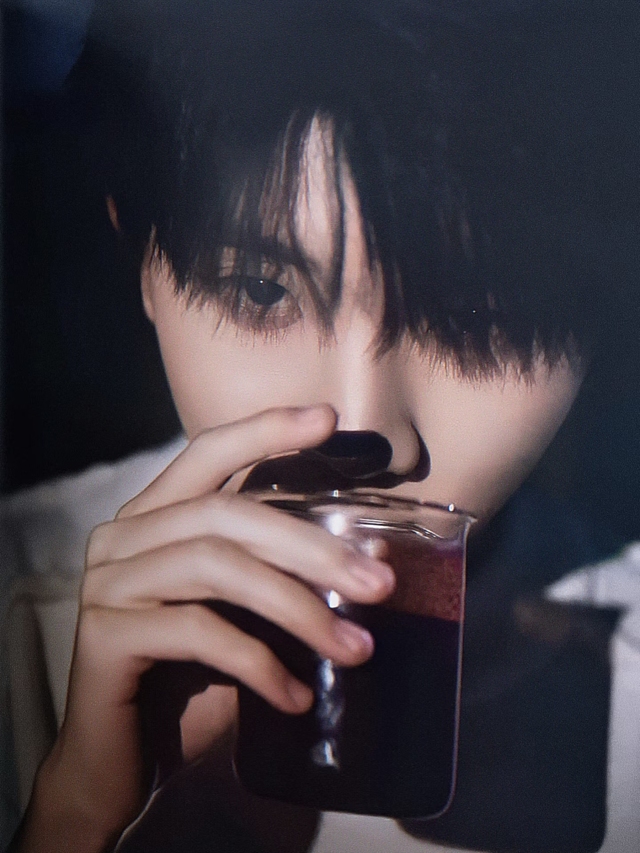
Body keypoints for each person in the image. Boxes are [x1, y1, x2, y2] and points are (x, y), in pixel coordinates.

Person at [3, 1, 639, 851]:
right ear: (139, 256)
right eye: (261, 289)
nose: (365, 433)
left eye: (478, 319)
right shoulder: (16, 621)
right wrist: (73, 819)